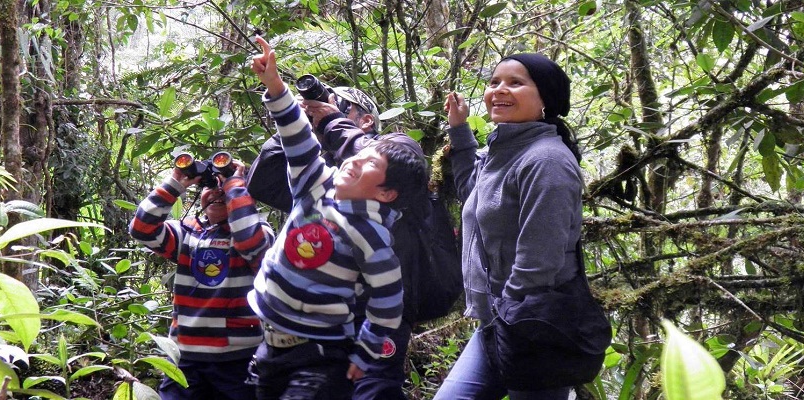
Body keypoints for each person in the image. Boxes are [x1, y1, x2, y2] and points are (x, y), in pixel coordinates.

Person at [244, 36, 428, 400]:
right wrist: (276, 86)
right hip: (268, 343)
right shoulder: (315, 183)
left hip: (322, 353)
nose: (357, 159)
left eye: (371, 162)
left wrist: (368, 349)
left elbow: (389, 301)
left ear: (386, 193)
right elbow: (297, 139)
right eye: (363, 153)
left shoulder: (373, 236)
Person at [434, 53, 584, 400]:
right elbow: (474, 193)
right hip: (500, 324)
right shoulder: (505, 149)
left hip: (535, 329)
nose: (500, 90)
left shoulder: (547, 161)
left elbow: (540, 262)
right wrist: (459, 129)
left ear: (545, 98)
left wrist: (507, 319)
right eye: (494, 82)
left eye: (516, 83)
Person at [128, 157, 274, 400]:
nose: (218, 192)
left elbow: (250, 243)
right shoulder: (187, 232)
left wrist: (235, 185)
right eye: (210, 187)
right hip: (185, 357)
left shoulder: (260, 231)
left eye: (224, 188)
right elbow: (141, 229)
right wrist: (176, 182)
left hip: (238, 358)